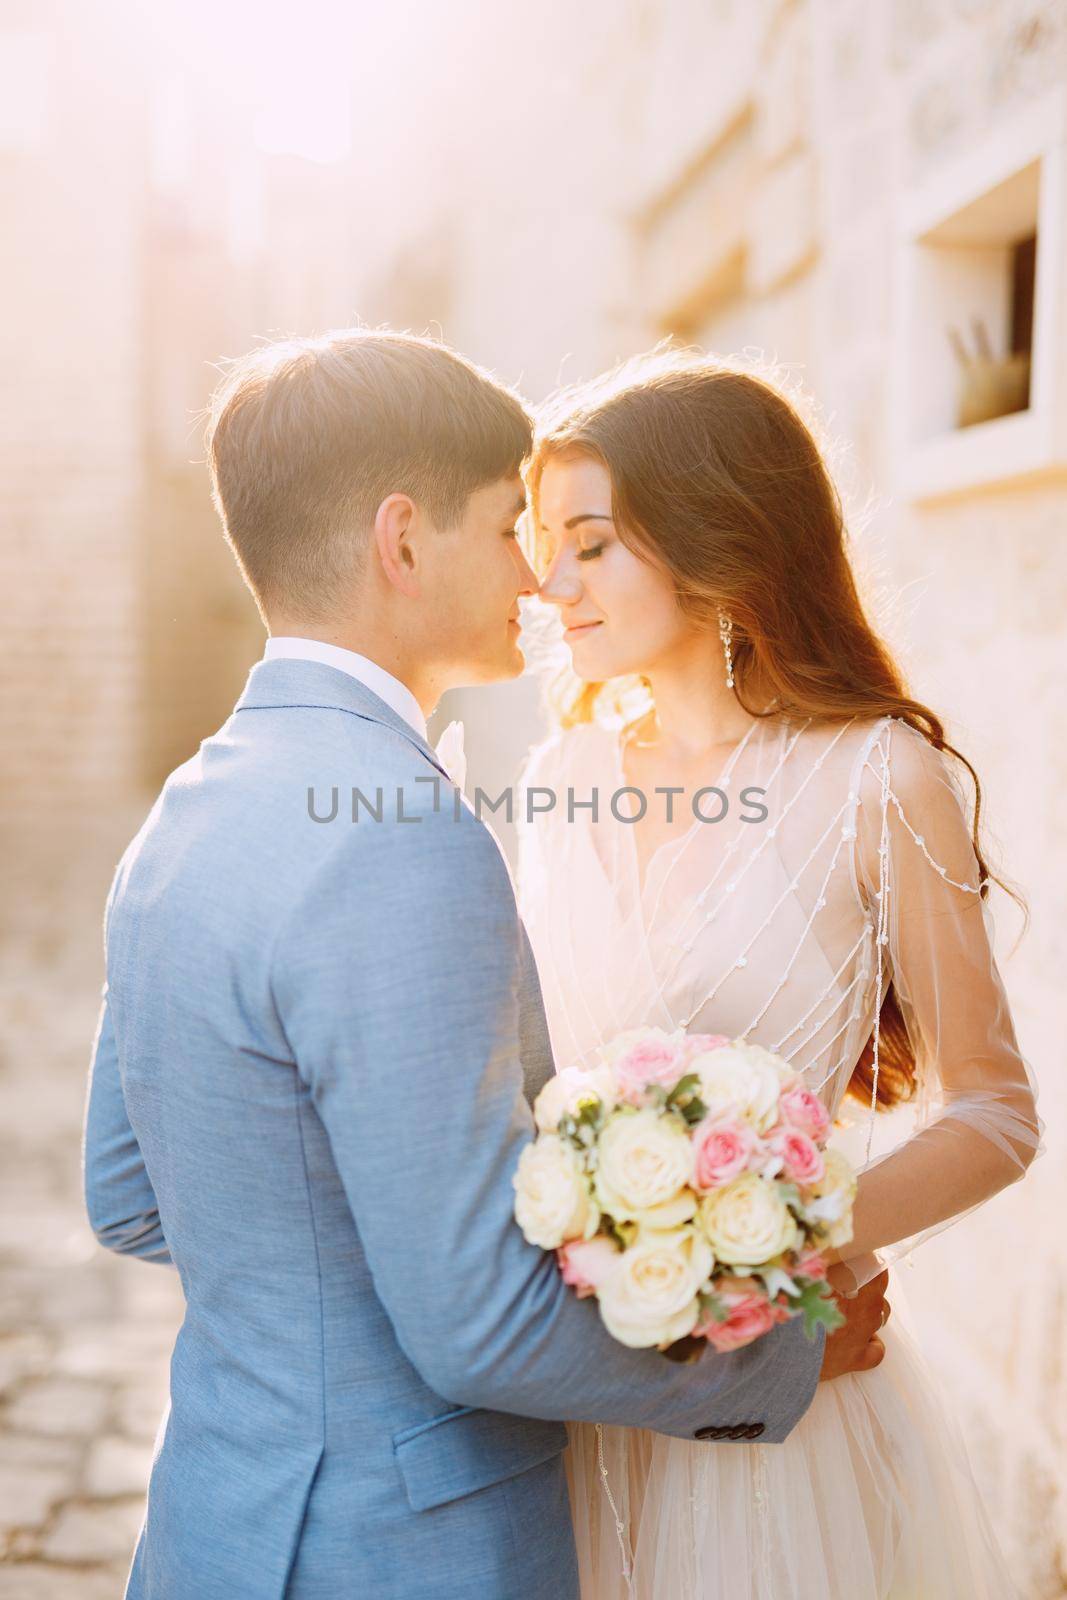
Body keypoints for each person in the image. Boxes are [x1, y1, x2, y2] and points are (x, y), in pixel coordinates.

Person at [82, 330, 887, 1600]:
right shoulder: (403, 841)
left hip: (216, 1530)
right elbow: (473, 1326)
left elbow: (127, 1191)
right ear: (402, 543)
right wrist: (779, 1358)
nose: (532, 573)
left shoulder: (183, 810)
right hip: (402, 1551)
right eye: (504, 527)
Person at [517, 349, 1043, 1599]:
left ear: (714, 541)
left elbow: (994, 1113)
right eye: (545, 546)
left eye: (589, 544)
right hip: (579, 1411)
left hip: (788, 1414)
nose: (552, 586)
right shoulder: (554, 776)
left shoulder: (877, 778)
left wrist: (767, 1253)